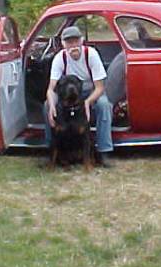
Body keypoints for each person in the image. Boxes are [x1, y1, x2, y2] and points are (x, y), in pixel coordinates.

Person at [44, 26, 114, 167]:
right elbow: (51, 89)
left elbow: (100, 87)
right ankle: (50, 150)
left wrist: (87, 102)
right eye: (69, 42)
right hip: (66, 92)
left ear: (82, 41)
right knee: (46, 106)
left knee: (104, 105)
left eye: (76, 41)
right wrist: (51, 105)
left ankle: (103, 151)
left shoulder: (91, 54)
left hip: (90, 91)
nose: (73, 46)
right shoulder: (60, 58)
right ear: (63, 44)